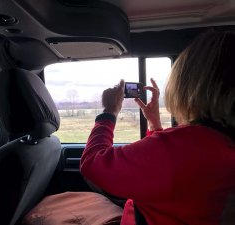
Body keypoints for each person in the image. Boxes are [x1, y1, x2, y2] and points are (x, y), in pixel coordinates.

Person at [80, 30, 235, 225]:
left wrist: (109, 112)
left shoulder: (179, 148)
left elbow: (92, 164)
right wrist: (154, 124)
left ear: (189, 84)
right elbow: (172, 181)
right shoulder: (219, 144)